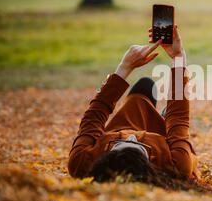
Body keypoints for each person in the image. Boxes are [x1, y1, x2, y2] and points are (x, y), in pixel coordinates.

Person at [68, 25, 201, 186]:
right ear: (149, 163)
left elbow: (94, 116)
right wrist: (178, 57)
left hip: (121, 126)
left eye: (122, 144)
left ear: (104, 159)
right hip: (162, 138)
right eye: (137, 145)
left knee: (145, 85)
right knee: (172, 123)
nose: (132, 137)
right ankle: (163, 120)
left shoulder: (82, 163)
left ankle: (160, 117)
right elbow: (179, 118)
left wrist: (125, 67)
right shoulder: (177, 165)